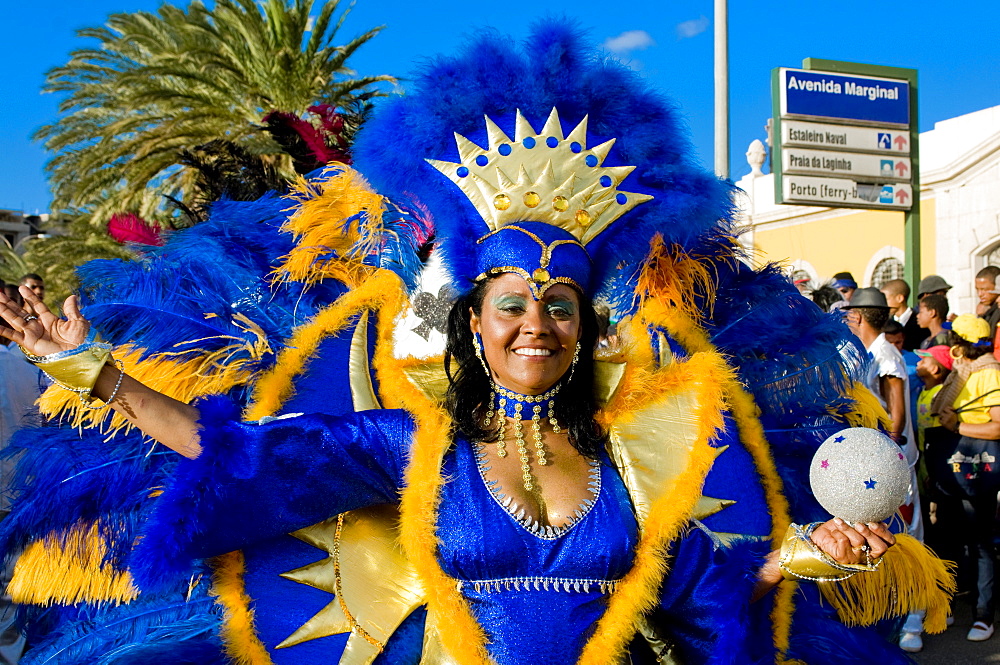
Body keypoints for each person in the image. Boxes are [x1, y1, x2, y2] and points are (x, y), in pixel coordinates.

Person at [0, 29, 950, 665]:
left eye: (560, 307)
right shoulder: (418, 448)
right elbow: (242, 451)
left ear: (584, 329)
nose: (537, 322)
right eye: (512, 304)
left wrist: (815, 550)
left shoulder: (627, 458)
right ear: (475, 323)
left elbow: (711, 572)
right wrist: (100, 373)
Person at [935, 315, 1000, 642]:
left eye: (954, 339)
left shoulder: (990, 373)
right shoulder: (961, 369)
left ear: (963, 343)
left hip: (978, 468)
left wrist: (957, 427)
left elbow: (998, 426)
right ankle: (946, 606)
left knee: (981, 542)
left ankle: (984, 614)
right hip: (952, 465)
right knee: (948, 537)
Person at [882, 278, 927, 351]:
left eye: (886, 299)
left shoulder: (919, 323)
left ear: (899, 298)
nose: (884, 304)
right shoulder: (885, 323)